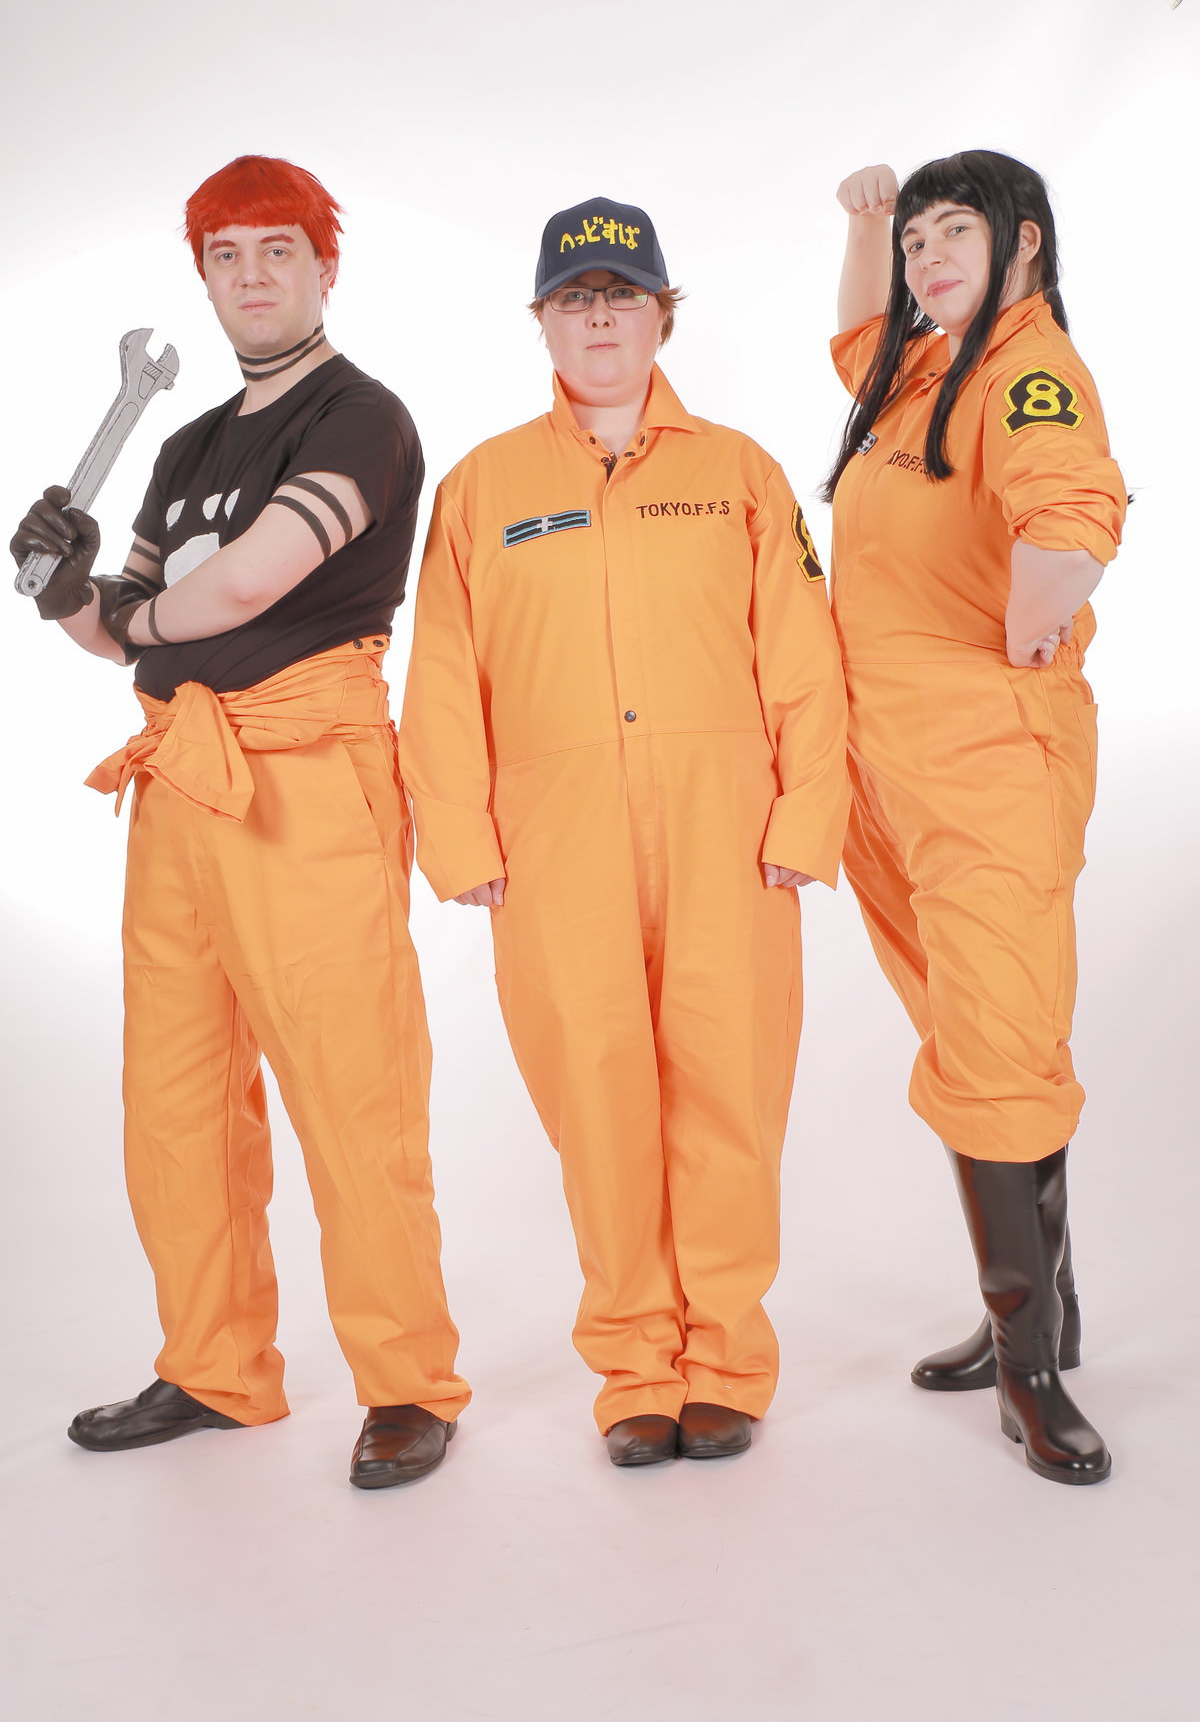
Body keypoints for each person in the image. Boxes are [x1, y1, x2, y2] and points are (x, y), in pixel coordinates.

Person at [10, 154, 469, 1489]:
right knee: (177, 1096)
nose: (253, 274)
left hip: (306, 775)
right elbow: (125, 632)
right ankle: (214, 1368)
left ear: (325, 267)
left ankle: (408, 1384)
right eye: (227, 254)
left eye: (279, 249)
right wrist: (64, 593)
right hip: (180, 779)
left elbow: (245, 585)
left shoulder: (360, 418)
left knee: (350, 1088)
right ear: (203, 278)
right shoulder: (185, 445)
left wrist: (132, 615)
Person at [400, 197, 849, 1467]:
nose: (600, 319)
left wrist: (807, 813)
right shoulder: (482, 487)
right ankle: (638, 1368)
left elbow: (804, 658)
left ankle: (727, 1362)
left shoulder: (741, 474)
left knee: (728, 1092)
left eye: (623, 296)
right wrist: (461, 839)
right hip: (557, 848)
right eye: (576, 299)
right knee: (598, 1102)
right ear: (544, 321)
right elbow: (441, 676)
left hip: (728, 835)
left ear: (663, 317)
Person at [825, 152, 1125, 1484]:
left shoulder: (1028, 372)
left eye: (957, 232)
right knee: (969, 1034)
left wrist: (1020, 640)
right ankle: (1045, 1306)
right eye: (918, 241)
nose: (927, 258)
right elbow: (856, 343)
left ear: (1027, 242)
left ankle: (1029, 1367)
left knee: (998, 1045)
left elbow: (1073, 522)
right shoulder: (924, 368)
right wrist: (866, 227)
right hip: (887, 767)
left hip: (983, 762)